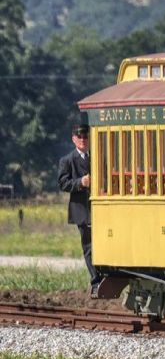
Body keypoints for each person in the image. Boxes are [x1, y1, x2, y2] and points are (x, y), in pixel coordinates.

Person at [58, 122, 100, 297]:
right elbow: (63, 183)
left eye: (85, 136)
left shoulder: (97, 157)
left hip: (99, 208)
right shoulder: (67, 160)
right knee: (89, 246)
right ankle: (96, 280)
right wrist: (80, 183)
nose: (83, 140)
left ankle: (105, 277)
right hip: (81, 209)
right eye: (80, 137)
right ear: (74, 139)